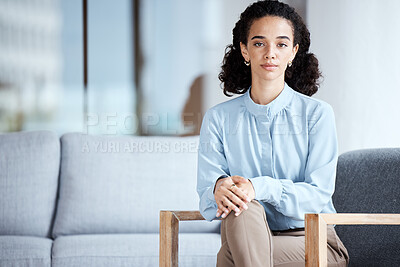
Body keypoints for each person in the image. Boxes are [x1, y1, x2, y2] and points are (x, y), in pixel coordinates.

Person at [196, 1, 350, 266]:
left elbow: (317, 196)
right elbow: (207, 197)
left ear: (293, 52)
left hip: (313, 242)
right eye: (258, 43)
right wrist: (219, 189)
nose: (270, 53)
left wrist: (258, 187)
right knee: (239, 205)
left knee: (230, 254)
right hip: (245, 231)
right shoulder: (218, 118)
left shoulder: (317, 114)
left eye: (281, 44)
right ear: (244, 50)